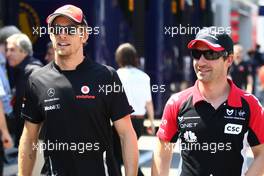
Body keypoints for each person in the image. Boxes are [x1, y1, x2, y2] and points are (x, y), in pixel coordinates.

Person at [18, 4, 138, 176]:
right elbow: (29, 138)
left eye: (71, 29)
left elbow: (126, 134)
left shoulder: (106, 76)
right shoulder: (37, 80)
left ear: (84, 35)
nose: (62, 34)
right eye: (56, 28)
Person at [152, 27, 264, 176]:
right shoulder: (177, 102)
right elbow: (162, 154)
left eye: (210, 54)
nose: (201, 62)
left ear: (229, 59)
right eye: (197, 54)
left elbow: (262, 153)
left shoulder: (250, 105)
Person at [114, 43, 155, 176]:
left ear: (119, 58)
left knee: (117, 156)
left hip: (121, 120)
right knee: (127, 155)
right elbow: (148, 103)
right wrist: (152, 123)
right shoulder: (144, 77)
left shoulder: (116, 75)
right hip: (138, 122)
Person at [6, 33, 43, 147]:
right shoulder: (19, 70)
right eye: (7, 50)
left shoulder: (34, 71)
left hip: (34, 141)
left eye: (12, 50)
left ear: (24, 51)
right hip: (24, 138)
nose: (8, 54)